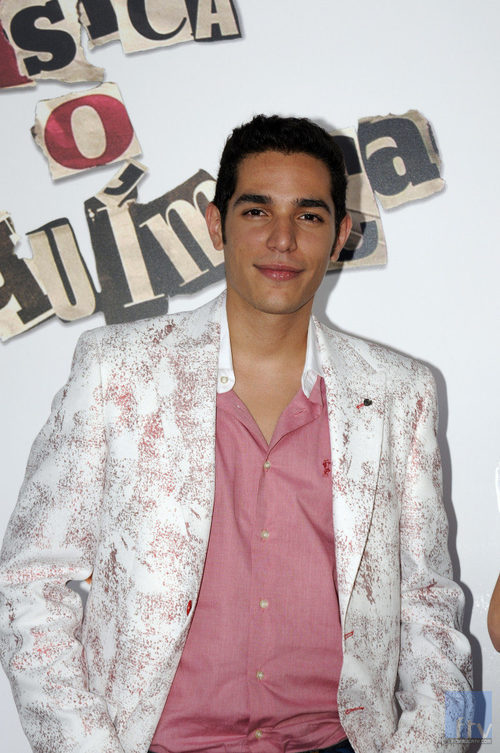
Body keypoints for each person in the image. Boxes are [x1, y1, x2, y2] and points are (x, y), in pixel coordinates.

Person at [0, 115, 472, 753]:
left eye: (309, 215)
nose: (282, 239)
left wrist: (437, 744)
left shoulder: (399, 392)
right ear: (216, 224)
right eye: (257, 211)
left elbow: (430, 606)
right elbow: (29, 583)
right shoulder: (119, 371)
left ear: (341, 236)